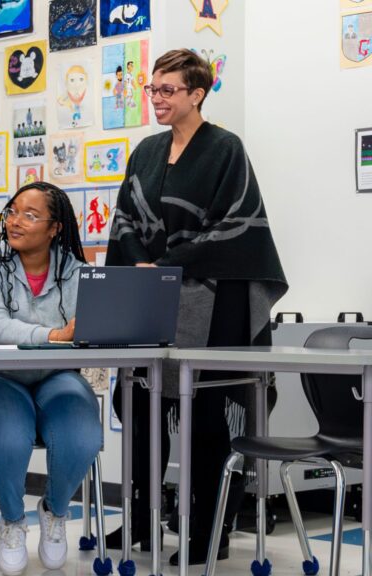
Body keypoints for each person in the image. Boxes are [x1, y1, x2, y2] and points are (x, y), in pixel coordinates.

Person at [105, 49, 288, 566]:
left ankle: (210, 527)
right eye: (152, 89)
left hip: (212, 301)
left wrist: (167, 261)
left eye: (168, 90)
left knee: (206, 415)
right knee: (141, 408)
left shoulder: (226, 149)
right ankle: (141, 520)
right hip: (148, 298)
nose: (157, 99)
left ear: (196, 94)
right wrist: (143, 265)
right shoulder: (145, 150)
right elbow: (123, 218)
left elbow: (237, 223)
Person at [0, 181, 103, 574]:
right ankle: (12, 520)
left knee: (83, 433)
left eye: (30, 215)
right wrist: (54, 335)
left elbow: (85, 329)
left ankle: (54, 512)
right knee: (7, 434)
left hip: (56, 375)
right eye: (12, 211)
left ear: (55, 228)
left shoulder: (77, 271)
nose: (15, 221)